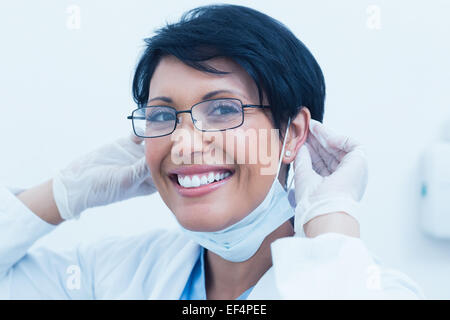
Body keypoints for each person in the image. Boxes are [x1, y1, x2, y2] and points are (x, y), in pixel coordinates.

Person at [0, 4, 423, 299]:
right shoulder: (114, 274)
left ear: (292, 133)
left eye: (222, 109)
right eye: (163, 116)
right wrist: (63, 194)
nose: (183, 143)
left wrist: (331, 225)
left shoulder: (378, 289)